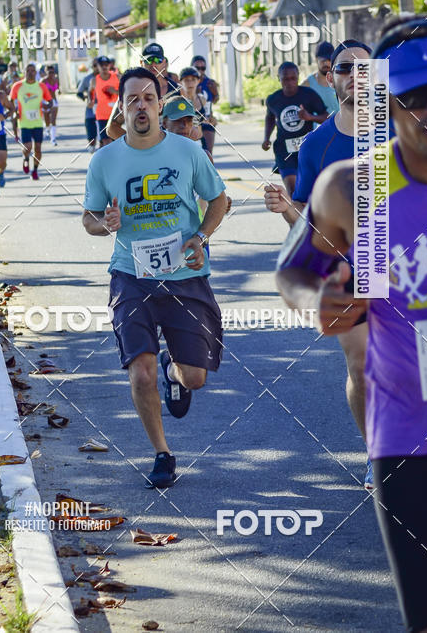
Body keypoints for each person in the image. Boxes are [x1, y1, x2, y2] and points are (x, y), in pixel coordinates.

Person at [275, 15, 427, 633]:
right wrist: (316, 304)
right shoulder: (355, 186)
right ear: (387, 99)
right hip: (409, 439)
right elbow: (294, 273)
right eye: (414, 97)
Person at [82, 67, 228, 489]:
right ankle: (162, 454)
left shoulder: (186, 152)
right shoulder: (104, 160)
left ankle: (173, 369)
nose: (141, 106)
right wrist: (105, 223)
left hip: (185, 275)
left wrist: (201, 235)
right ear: (121, 108)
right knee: (139, 372)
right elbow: (88, 219)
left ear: (160, 105)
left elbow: (220, 199)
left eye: (149, 98)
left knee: (195, 377)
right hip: (131, 276)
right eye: (132, 100)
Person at [264, 39, 374, 488]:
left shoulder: (407, 130)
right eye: (346, 68)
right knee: (362, 362)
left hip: (410, 268)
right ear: (331, 78)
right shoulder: (316, 145)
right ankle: (378, 455)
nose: (356, 77)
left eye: (367, 70)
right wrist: (288, 207)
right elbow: (310, 226)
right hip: (349, 269)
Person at [262, 61, 328, 197]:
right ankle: (298, 217)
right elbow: (270, 117)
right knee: (293, 192)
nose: (290, 83)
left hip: (308, 148)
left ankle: (311, 217)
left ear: (298, 77)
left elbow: (326, 117)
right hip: (284, 151)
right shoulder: (273, 99)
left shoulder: (309, 95)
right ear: (279, 79)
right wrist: (266, 138)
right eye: (285, 79)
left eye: (293, 78)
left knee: (310, 191)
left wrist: (310, 117)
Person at [105, 43, 180, 141]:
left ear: (164, 63)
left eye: (158, 60)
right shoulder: (131, 89)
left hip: (170, 149)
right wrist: (138, 144)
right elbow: (111, 128)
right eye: (148, 60)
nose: (153, 64)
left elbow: (186, 122)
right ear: (141, 62)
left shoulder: (175, 88)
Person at [9, 63, 52, 180]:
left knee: (38, 148)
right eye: (28, 70)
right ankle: (26, 158)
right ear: (24, 72)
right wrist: (14, 111)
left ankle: (35, 170)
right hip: (24, 122)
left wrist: (48, 107)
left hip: (38, 122)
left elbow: (50, 100)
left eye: (33, 71)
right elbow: (10, 100)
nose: (30, 73)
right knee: (27, 147)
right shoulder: (17, 86)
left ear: (36, 73)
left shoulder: (41, 86)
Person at [302, 41, 339, 123]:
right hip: (318, 132)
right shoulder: (307, 85)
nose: (326, 63)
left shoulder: (341, 80)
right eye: (322, 60)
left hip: (341, 130)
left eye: (329, 60)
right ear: (316, 59)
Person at [191, 55, 219, 156]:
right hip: (192, 122)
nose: (200, 70)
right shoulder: (188, 82)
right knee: (194, 153)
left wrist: (214, 92)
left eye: (203, 68)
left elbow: (215, 100)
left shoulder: (210, 83)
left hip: (207, 120)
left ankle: (209, 171)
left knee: (208, 153)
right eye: (197, 68)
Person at [91, 55, 119, 147]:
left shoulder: (117, 77)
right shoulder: (94, 80)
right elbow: (90, 92)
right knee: (105, 140)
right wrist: (90, 101)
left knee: (114, 139)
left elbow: (126, 92)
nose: (104, 67)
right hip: (101, 115)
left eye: (106, 65)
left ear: (110, 65)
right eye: (101, 65)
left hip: (116, 114)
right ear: (97, 66)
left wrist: (114, 91)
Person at [77, 59, 99, 152]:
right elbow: (79, 92)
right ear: (92, 67)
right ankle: (92, 145)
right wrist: (86, 98)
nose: (97, 67)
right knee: (91, 129)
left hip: (106, 109)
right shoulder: (87, 79)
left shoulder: (109, 78)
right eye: (94, 66)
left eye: (98, 65)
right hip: (92, 109)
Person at [43, 65, 59, 145]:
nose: (51, 74)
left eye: (53, 72)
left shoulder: (56, 80)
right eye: (49, 72)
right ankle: (47, 129)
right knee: (47, 120)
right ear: (46, 72)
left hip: (54, 101)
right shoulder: (43, 81)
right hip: (45, 101)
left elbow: (58, 89)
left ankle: (53, 139)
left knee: (53, 120)